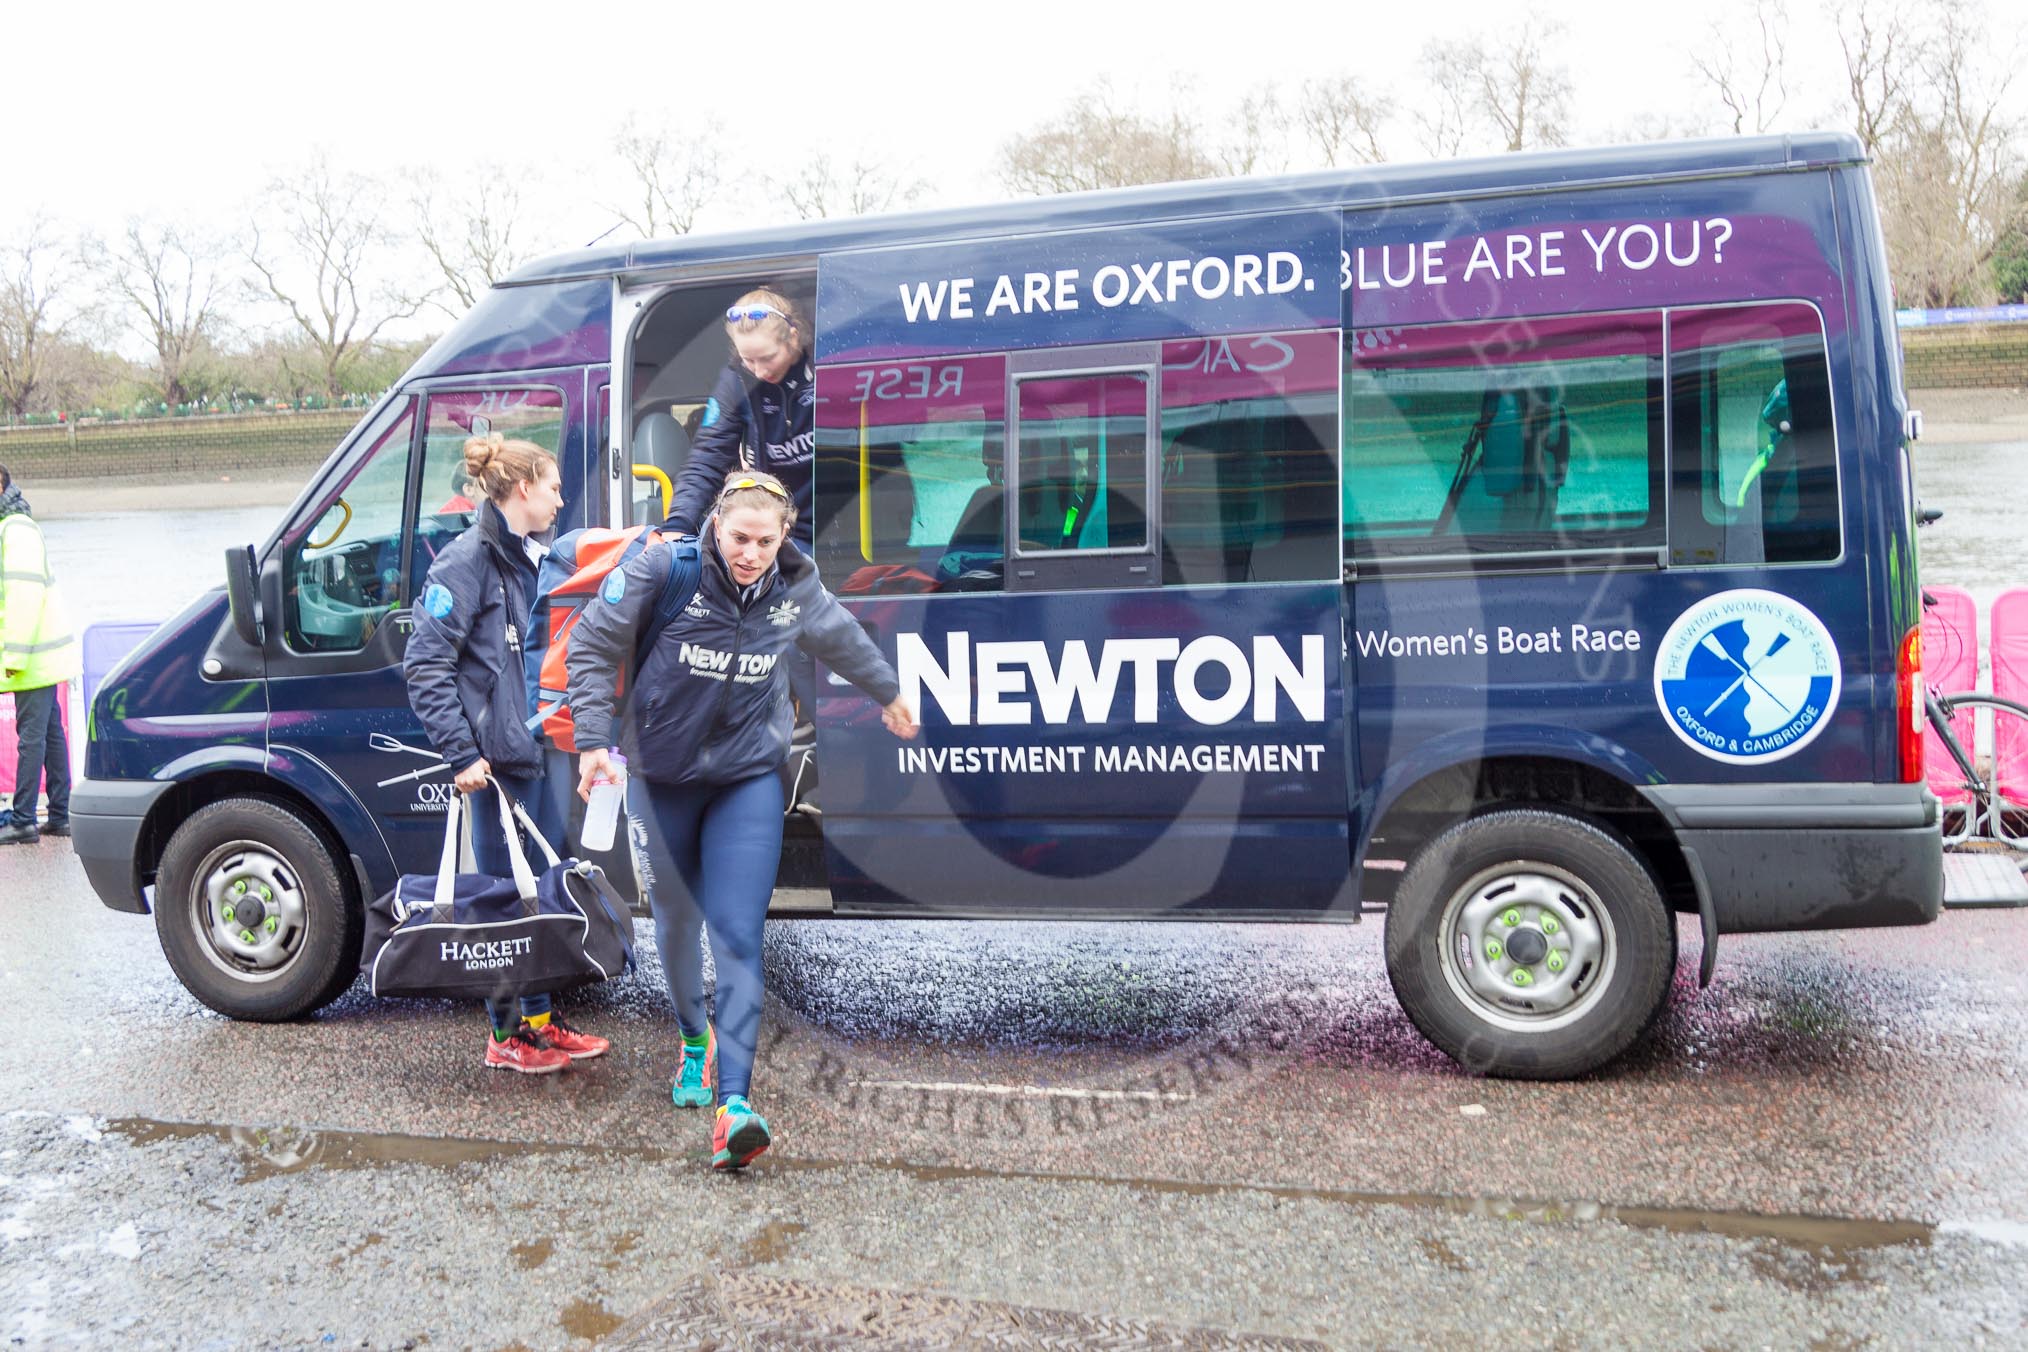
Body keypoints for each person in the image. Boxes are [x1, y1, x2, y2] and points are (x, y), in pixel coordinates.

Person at [566, 469, 918, 1169]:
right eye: (738, 538)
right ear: (716, 527)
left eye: (764, 540)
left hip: (748, 777)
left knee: (735, 930)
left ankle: (735, 1105)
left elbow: (840, 636)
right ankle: (692, 1038)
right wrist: (590, 742)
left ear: (783, 535)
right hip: (661, 779)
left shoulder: (795, 586)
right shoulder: (667, 570)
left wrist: (889, 692)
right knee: (675, 918)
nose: (750, 553)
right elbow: (592, 644)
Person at [403, 434, 611, 1074]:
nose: (560, 498)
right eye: (552, 487)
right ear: (522, 489)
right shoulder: (465, 563)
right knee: (502, 904)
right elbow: (425, 665)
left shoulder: (535, 556)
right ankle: (504, 1036)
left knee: (541, 895)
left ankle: (544, 1026)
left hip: (539, 752)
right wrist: (462, 754)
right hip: (493, 769)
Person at [662, 289, 816, 549]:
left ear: (793, 337)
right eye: (749, 360)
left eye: (768, 358)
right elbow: (708, 457)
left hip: (834, 524)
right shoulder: (737, 380)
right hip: (776, 529)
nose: (759, 370)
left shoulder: (825, 366)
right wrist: (677, 525)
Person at [0, 465, 79, 847]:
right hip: (43, 654)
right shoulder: (17, 527)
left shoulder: (14, 530)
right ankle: (60, 815)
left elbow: (23, 596)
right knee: (48, 733)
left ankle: (23, 820)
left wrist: (12, 655)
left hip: (30, 656)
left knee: (31, 737)